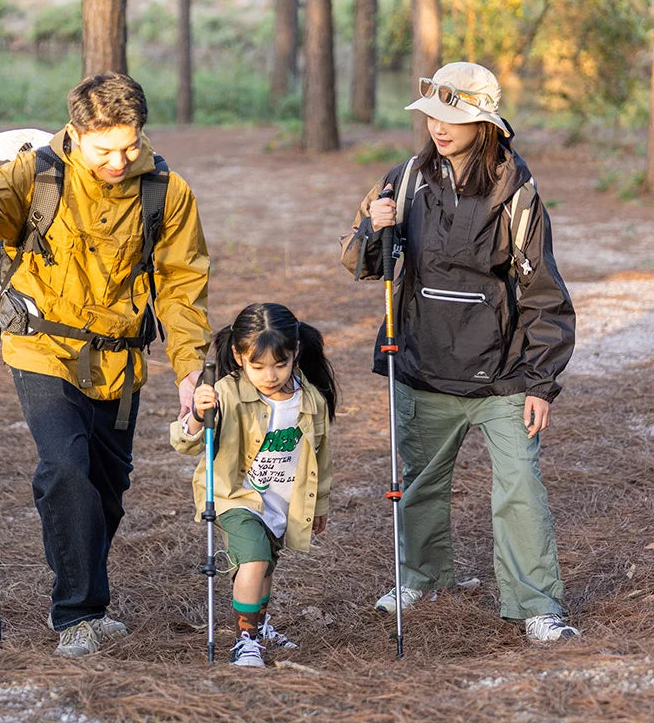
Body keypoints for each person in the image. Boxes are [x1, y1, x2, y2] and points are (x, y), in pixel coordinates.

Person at [0, 73, 211, 656]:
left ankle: (87, 598)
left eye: (129, 145)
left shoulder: (166, 191)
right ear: (76, 134)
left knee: (106, 491)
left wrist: (189, 369)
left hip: (122, 362)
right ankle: (77, 616)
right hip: (41, 347)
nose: (119, 159)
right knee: (66, 469)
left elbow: (182, 286)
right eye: (104, 149)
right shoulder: (36, 173)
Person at [341, 62, 579, 642]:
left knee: (519, 485)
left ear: (484, 123)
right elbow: (360, 263)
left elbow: (543, 292)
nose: (438, 128)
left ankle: (536, 606)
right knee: (421, 480)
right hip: (422, 361)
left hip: (504, 374)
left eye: (454, 118)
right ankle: (421, 577)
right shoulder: (402, 180)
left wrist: (541, 381)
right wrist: (375, 230)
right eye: (432, 117)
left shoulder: (517, 192)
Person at [170, 303, 336, 667]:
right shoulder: (225, 393)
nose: (269, 375)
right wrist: (198, 416)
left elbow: (321, 457)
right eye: (257, 366)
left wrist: (319, 503)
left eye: (280, 364)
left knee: (266, 567)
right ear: (238, 355)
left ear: (295, 354)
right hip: (235, 496)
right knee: (255, 558)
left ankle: (259, 625)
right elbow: (184, 443)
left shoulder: (310, 401)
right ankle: (244, 639)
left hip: (280, 502)